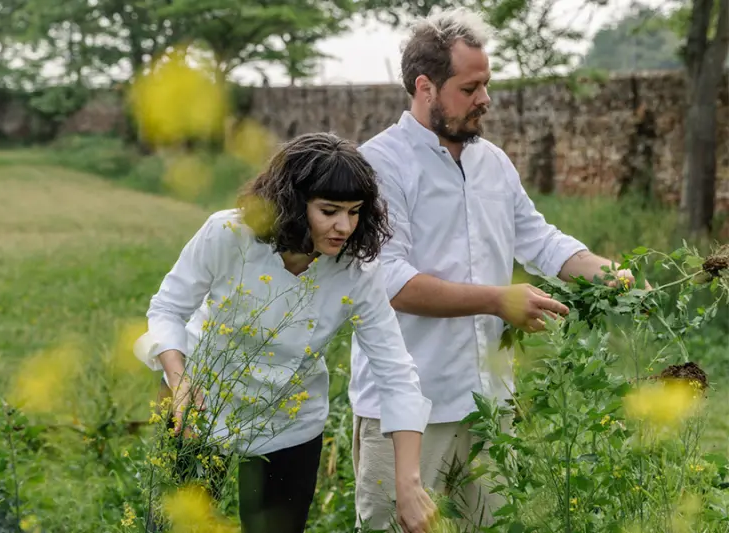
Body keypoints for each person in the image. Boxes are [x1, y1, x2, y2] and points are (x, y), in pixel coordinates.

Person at [348, 7, 651, 531]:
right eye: (470, 88)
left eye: (486, 85)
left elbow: (540, 240)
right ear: (425, 87)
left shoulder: (494, 162)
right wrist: (498, 299)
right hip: (405, 408)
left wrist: (612, 275)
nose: (485, 99)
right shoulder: (379, 164)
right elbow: (388, 280)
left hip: (489, 405)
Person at [133, 132, 437, 533]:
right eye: (329, 211)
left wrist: (409, 483)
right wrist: (181, 382)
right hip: (200, 408)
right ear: (293, 204)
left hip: (288, 424)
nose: (344, 226)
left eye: (355, 211)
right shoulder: (228, 235)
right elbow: (168, 308)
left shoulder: (357, 273)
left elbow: (396, 373)